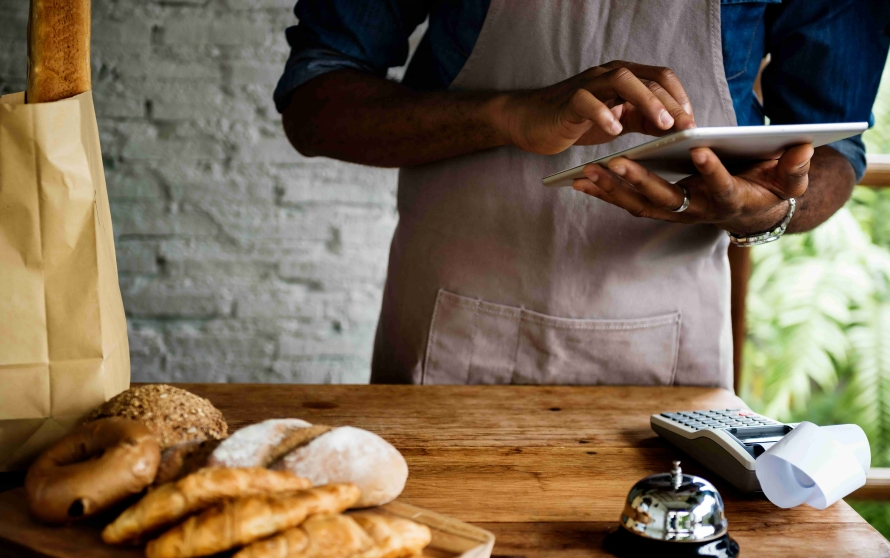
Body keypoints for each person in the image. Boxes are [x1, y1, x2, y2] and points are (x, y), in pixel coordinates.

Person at [274, 1, 890, 389]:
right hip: (446, 332)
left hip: (672, 357)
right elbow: (315, 101)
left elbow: (836, 146)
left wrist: (773, 209)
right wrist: (507, 115)